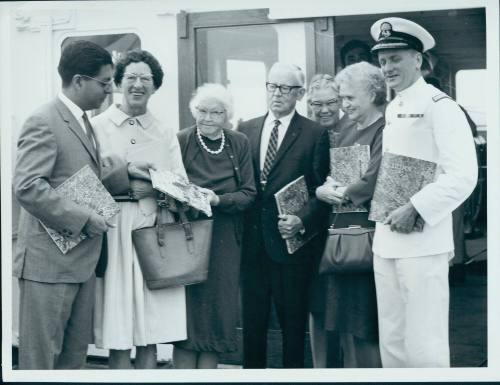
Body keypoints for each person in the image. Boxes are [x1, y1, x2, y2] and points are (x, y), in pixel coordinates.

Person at [13, 40, 149, 369]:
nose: (110, 92)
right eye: (104, 83)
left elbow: (90, 171)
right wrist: (85, 219)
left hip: (79, 263)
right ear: (78, 81)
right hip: (49, 266)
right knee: (42, 361)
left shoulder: (83, 120)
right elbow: (27, 186)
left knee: (74, 359)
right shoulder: (43, 120)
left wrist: (128, 171)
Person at [369, 17, 478, 367]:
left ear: (418, 59)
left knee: (424, 343)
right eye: (383, 60)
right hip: (387, 239)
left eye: (396, 58)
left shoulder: (440, 106)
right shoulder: (394, 106)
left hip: (423, 242)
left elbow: (463, 176)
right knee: (393, 337)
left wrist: (415, 207)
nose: (387, 67)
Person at [92, 49, 188, 369]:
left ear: (155, 86)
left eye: (145, 78)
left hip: (153, 227)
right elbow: (87, 181)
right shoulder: (98, 126)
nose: (137, 84)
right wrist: (129, 176)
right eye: (130, 77)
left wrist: (157, 189)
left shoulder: (163, 130)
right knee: (119, 325)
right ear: (118, 82)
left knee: (149, 326)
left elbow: (181, 186)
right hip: (113, 228)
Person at [238, 62, 330, 368]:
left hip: (291, 247)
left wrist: (302, 219)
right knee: (252, 326)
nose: (277, 94)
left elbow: (322, 190)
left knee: (293, 326)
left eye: (286, 88)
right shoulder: (246, 129)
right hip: (251, 247)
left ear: (300, 93)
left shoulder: (315, 134)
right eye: (272, 86)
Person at [172, 83, 256, 369]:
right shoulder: (182, 140)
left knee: (219, 310)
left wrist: (218, 199)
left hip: (224, 238)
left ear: (227, 116)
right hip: (188, 236)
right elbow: (168, 188)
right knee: (189, 313)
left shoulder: (238, 143)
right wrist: (187, 198)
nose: (207, 118)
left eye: (215, 112)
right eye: (202, 111)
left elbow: (249, 194)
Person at [315, 62, 385, 368]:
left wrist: (339, 192)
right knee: (346, 322)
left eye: (349, 98)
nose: (344, 105)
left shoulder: (386, 129)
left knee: (367, 322)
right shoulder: (344, 131)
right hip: (343, 240)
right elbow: (331, 176)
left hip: (371, 240)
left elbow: (373, 179)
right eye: (341, 98)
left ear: (371, 93)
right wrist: (322, 190)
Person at [306, 73, 342, 368]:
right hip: (314, 234)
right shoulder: (305, 135)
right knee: (318, 306)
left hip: (348, 232)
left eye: (331, 102)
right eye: (316, 104)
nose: (324, 109)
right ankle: (322, 370)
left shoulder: (352, 132)